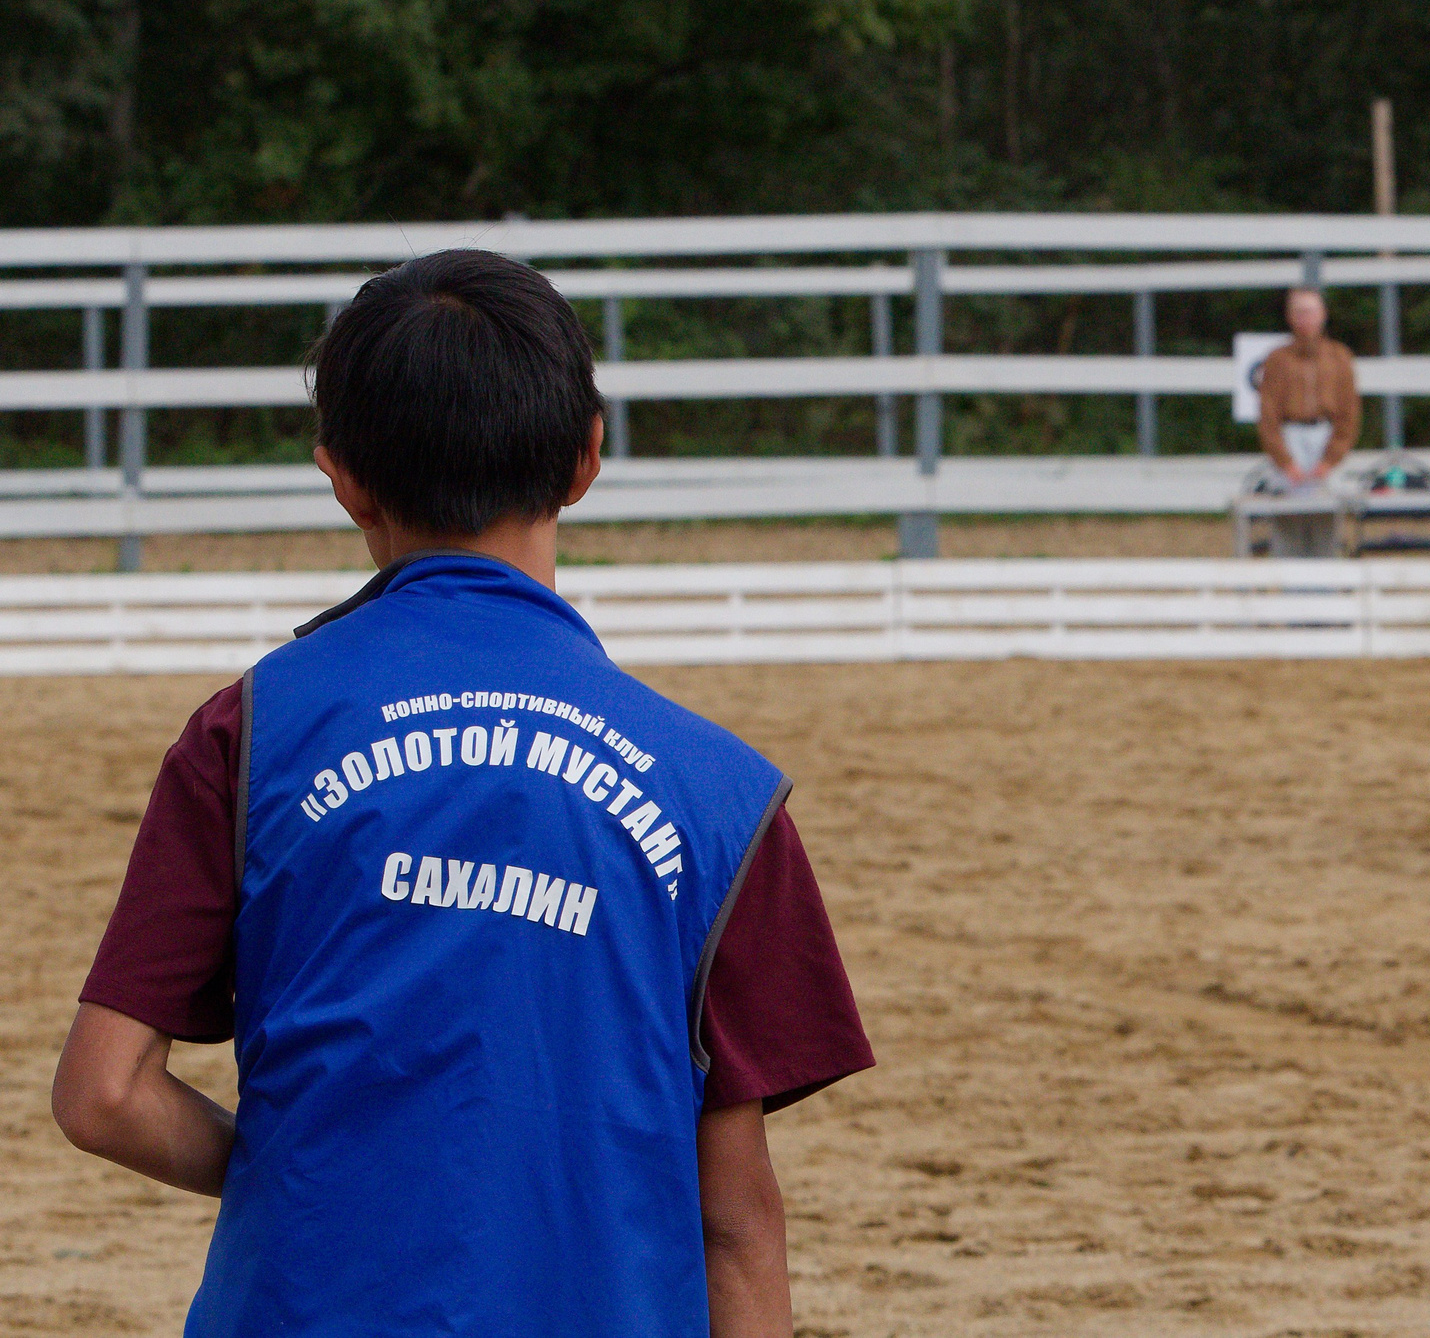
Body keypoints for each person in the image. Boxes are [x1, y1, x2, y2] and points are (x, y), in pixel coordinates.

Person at [50, 250, 872, 1338]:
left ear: (341, 476)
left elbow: (104, 1097)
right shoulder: (721, 796)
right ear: (587, 456)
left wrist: (317, 1175)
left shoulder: (249, 735)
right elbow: (735, 1226)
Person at [1254, 285, 1360, 557]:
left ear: (1323, 314)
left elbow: (1349, 413)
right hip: (1290, 437)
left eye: (1311, 311)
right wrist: (1285, 461)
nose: (1306, 318)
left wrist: (1331, 458)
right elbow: (1268, 416)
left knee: (1326, 517)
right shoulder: (1277, 360)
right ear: (1290, 317)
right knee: (1288, 520)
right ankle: (1291, 590)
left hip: (1325, 436)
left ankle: (1325, 590)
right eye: (1299, 312)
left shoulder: (1339, 357)